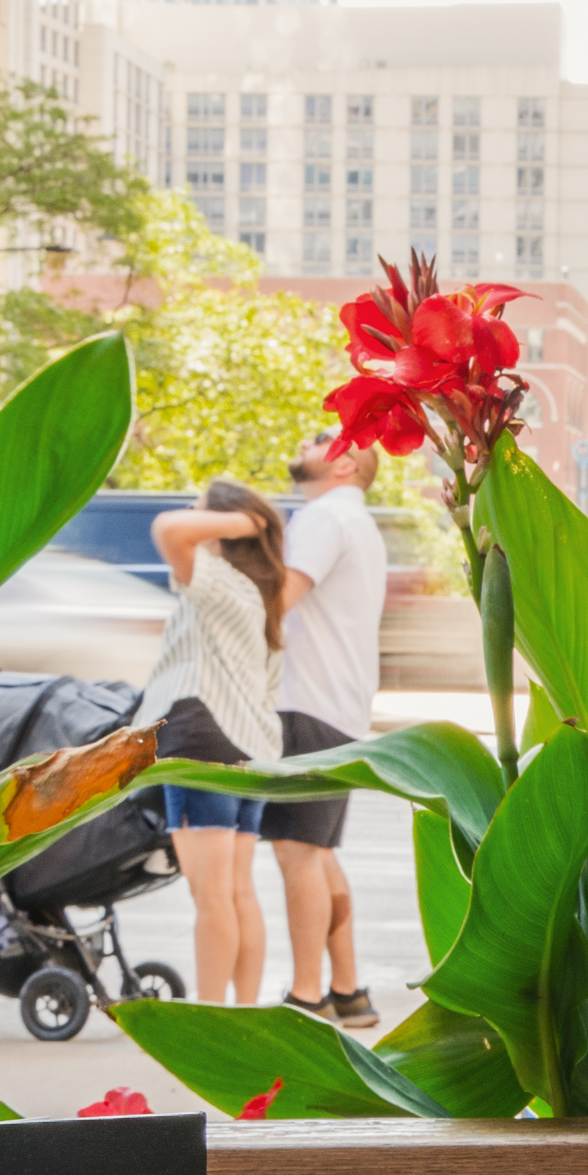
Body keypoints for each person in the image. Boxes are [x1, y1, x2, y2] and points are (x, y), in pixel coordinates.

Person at [146, 477, 293, 1007]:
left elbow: (168, 530)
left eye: (201, 508)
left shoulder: (215, 580)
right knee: (237, 892)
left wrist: (246, 520)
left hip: (200, 740)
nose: (191, 513)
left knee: (210, 897)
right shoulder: (260, 598)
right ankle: (243, 1014)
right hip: (252, 751)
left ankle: (208, 1018)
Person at [267, 430, 386, 1028]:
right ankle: (347, 990)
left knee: (298, 852)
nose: (306, 442)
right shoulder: (358, 523)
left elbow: (279, 600)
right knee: (319, 852)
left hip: (307, 703)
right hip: (339, 706)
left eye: (320, 439)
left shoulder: (323, 517)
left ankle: (306, 996)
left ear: (343, 462)